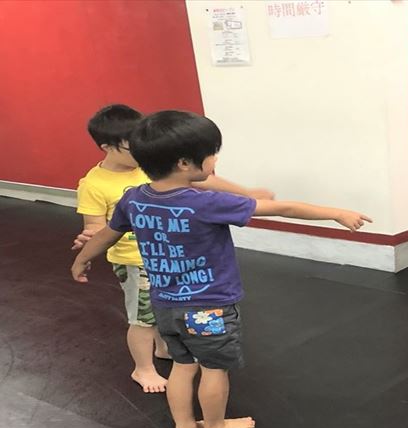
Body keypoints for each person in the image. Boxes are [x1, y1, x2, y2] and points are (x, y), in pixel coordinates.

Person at [71, 110, 371, 428]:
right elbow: (282, 209)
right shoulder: (206, 203)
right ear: (185, 163)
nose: (215, 161)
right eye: (212, 155)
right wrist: (336, 213)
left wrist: (82, 259)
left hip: (165, 304)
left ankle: (185, 426)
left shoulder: (134, 198)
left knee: (183, 366)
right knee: (214, 368)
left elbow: (106, 235)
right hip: (209, 307)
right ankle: (215, 427)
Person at [74, 104, 273, 393]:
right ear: (107, 147)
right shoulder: (94, 184)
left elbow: (203, 178)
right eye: (133, 148)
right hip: (135, 259)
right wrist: (87, 244)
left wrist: (247, 194)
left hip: (171, 260)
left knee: (166, 311)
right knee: (142, 319)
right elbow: (98, 228)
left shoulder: (150, 167)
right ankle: (143, 368)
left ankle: (166, 347)